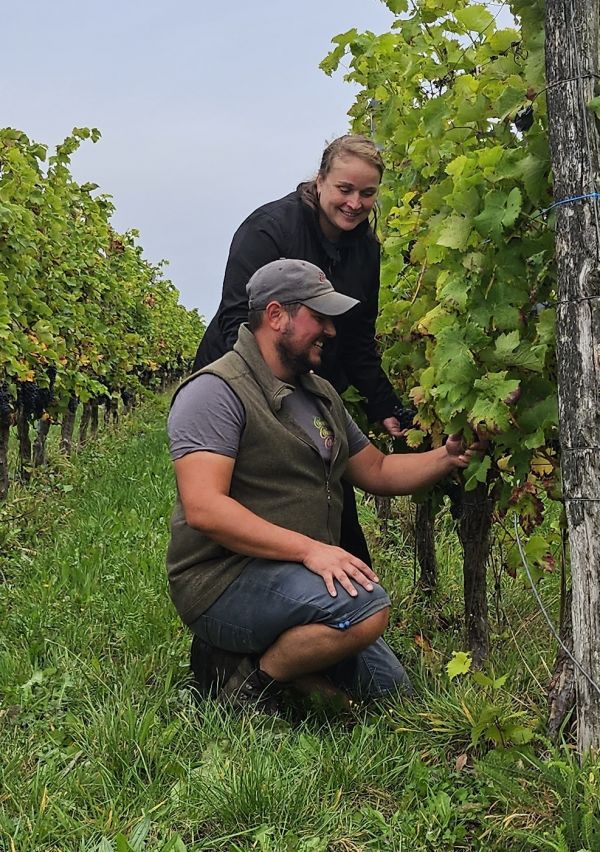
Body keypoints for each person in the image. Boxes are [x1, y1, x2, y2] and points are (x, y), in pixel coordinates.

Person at [167, 259, 484, 713]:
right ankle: (251, 688)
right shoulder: (216, 392)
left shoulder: (318, 392)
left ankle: (244, 659)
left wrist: (447, 456)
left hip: (289, 578)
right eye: (319, 316)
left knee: (391, 692)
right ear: (276, 316)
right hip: (222, 579)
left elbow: (375, 471)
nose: (330, 330)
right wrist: (310, 550)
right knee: (367, 608)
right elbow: (205, 508)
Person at [193, 134, 408, 566]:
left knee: (335, 533)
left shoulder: (365, 252)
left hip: (310, 391)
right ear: (321, 180)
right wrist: (278, 402)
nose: (355, 203)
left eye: (367, 193)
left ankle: (337, 612)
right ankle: (230, 620)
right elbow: (237, 321)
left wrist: (388, 407)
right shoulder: (269, 229)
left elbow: (358, 342)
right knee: (246, 531)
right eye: (345, 189)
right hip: (240, 393)